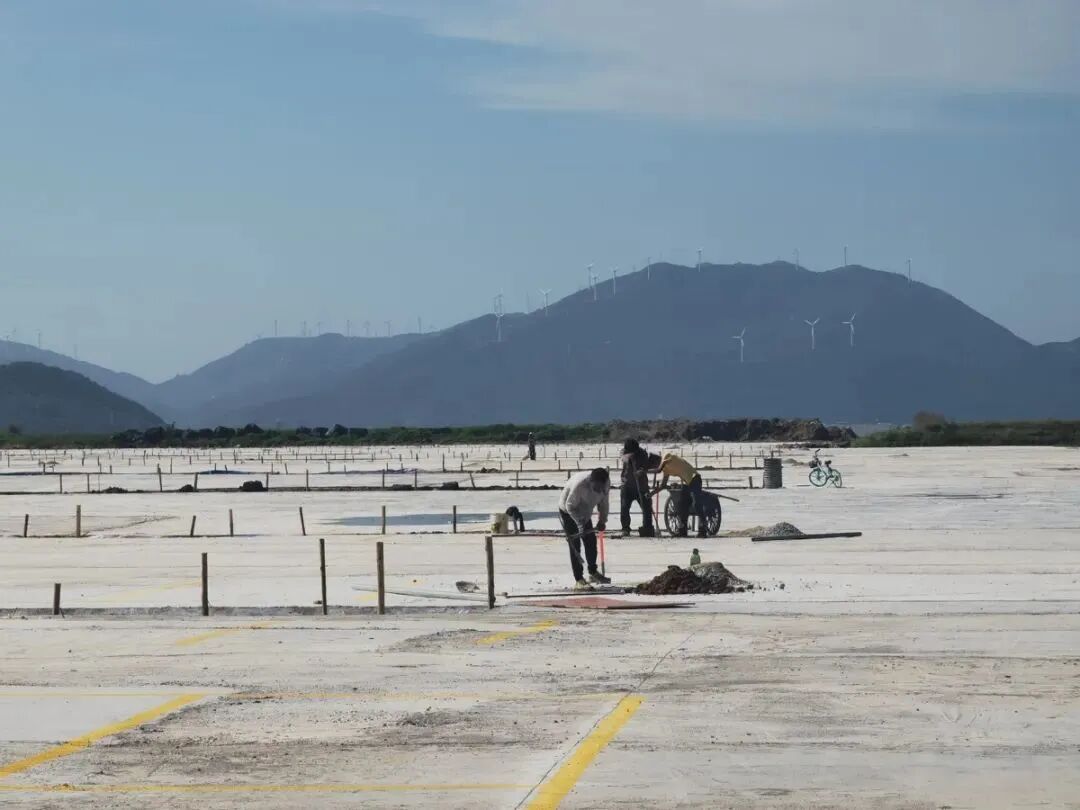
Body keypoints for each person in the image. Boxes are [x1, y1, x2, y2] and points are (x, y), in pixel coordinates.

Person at [558, 468, 612, 589]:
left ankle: (593, 572)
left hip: (585, 511)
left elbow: (604, 503)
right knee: (575, 545)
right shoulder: (580, 485)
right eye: (596, 487)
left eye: (601, 488)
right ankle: (579, 579)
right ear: (591, 481)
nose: (599, 490)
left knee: (591, 541)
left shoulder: (606, 484)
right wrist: (580, 524)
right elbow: (570, 506)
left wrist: (602, 520)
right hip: (569, 511)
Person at [658, 452, 707, 538]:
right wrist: (655, 490)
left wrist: (659, 468)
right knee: (682, 504)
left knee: (696, 503)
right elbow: (663, 484)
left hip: (695, 479)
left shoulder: (672, 458)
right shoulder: (666, 469)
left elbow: (665, 463)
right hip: (687, 483)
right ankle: (682, 529)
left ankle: (703, 528)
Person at [619, 439, 656, 537]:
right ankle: (625, 528)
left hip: (641, 485)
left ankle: (647, 527)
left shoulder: (642, 454)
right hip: (627, 485)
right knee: (624, 507)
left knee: (646, 507)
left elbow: (646, 465)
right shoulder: (625, 452)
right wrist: (630, 457)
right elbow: (624, 458)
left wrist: (642, 470)